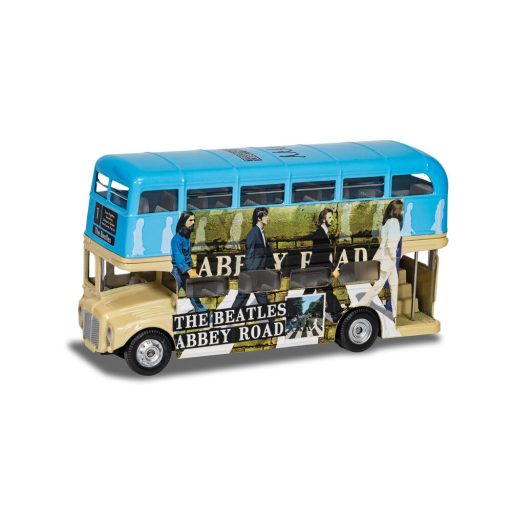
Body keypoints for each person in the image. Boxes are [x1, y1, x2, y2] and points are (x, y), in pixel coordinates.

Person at [352, 199, 403, 319]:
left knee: (394, 285)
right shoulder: (394, 222)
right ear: (396, 210)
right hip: (388, 259)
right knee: (378, 286)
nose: (403, 212)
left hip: (386, 258)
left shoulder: (385, 223)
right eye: (401, 209)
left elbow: (382, 240)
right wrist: (393, 256)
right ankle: (360, 305)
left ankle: (395, 314)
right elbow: (391, 244)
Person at [304, 208, 342, 322]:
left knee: (325, 291)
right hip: (317, 269)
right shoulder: (320, 234)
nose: (332, 219)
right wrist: (333, 269)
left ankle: (336, 313)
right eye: (329, 217)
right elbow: (322, 256)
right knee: (314, 292)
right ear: (323, 220)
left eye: (332, 217)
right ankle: (336, 313)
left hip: (318, 269)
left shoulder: (323, 233)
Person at [232, 207, 274, 309]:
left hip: (255, 272)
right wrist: (252, 274)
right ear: (259, 218)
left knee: (243, 298)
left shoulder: (261, 232)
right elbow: (249, 255)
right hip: (252, 273)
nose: (268, 218)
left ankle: (231, 316)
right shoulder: (253, 233)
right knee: (255, 298)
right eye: (265, 215)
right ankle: (271, 318)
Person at [171, 211, 206, 313]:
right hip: (178, 272)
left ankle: (202, 313)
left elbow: (187, 255)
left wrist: (190, 268)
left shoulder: (186, 237)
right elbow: (178, 257)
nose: (193, 222)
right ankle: (166, 316)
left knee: (193, 294)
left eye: (194, 220)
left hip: (186, 271)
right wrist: (189, 270)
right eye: (190, 220)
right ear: (183, 222)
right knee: (171, 296)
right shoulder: (176, 239)